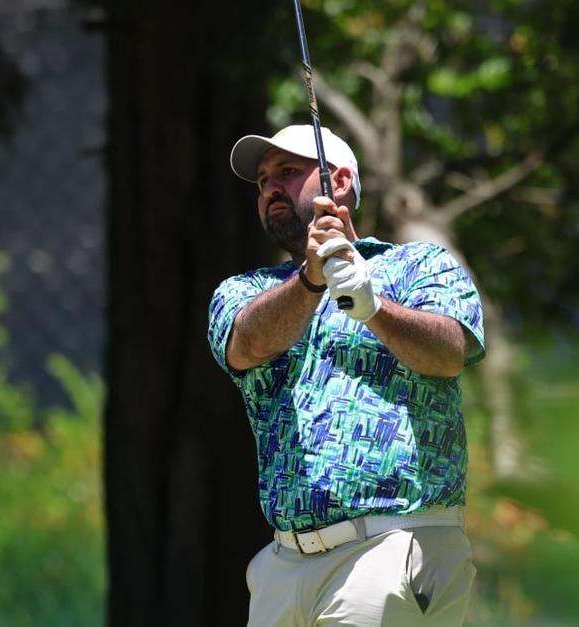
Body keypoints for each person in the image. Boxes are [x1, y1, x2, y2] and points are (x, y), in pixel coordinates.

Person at [207, 124, 485, 626]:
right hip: (282, 566)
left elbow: (449, 352)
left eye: (288, 172)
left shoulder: (417, 266)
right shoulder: (244, 291)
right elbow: (246, 346)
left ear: (337, 182)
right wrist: (313, 279)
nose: (271, 187)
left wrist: (373, 307)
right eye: (263, 180)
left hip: (391, 545)